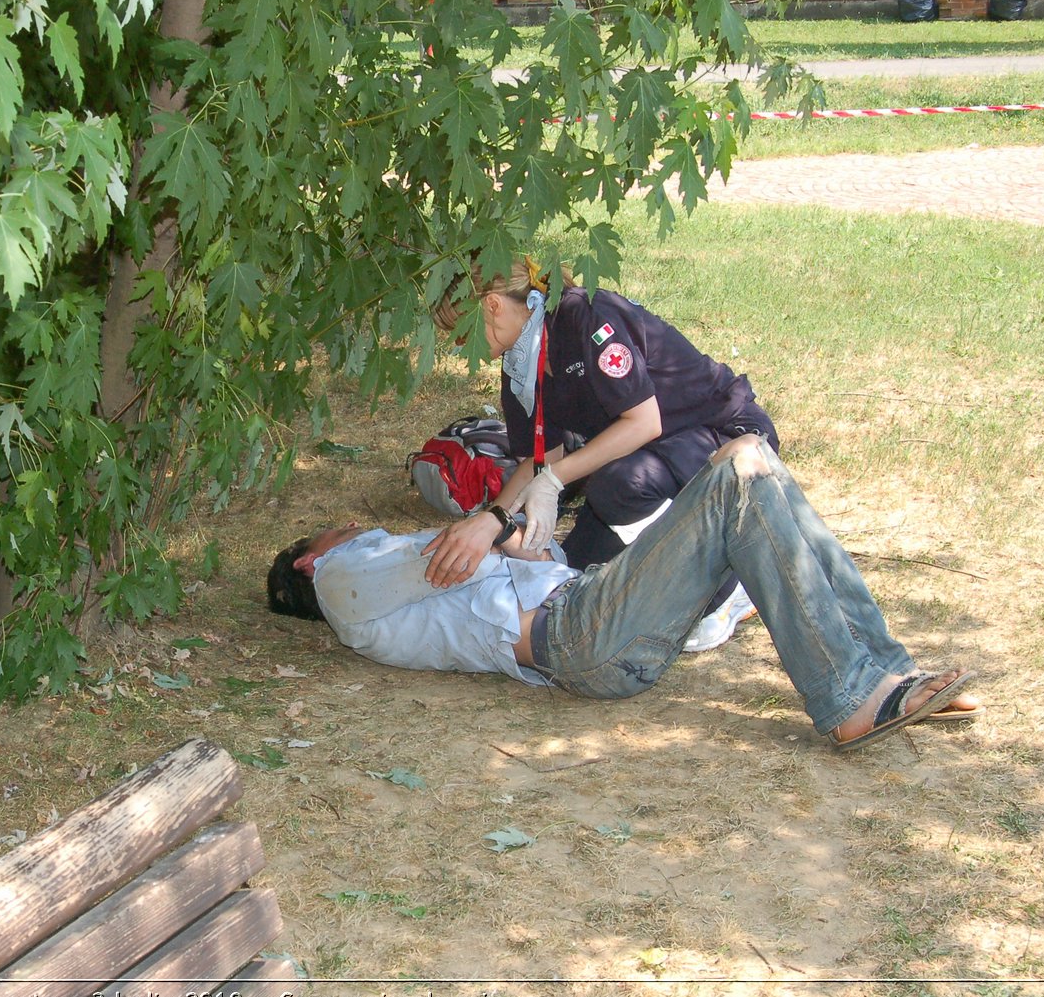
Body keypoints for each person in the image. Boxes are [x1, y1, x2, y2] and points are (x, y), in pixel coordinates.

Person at [267, 435, 980, 751]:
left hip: (592, 612)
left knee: (757, 468)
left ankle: (886, 671)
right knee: (736, 472)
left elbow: (499, 556)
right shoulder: (342, 584)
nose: (350, 523)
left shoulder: (380, 569)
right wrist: (485, 532)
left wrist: (511, 534)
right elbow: (446, 563)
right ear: (307, 564)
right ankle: (845, 699)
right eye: (330, 529)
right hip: (578, 637)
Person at [430, 259, 779, 652]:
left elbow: (644, 422)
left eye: (459, 334)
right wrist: (491, 521)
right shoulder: (520, 360)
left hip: (718, 437)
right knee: (574, 580)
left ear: (492, 305)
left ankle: (726, 583)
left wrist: (555, 479)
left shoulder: (586, 316)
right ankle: (682, 558)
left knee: (620, 487)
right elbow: (539, 457)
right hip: (648, 453)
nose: (461, 349)